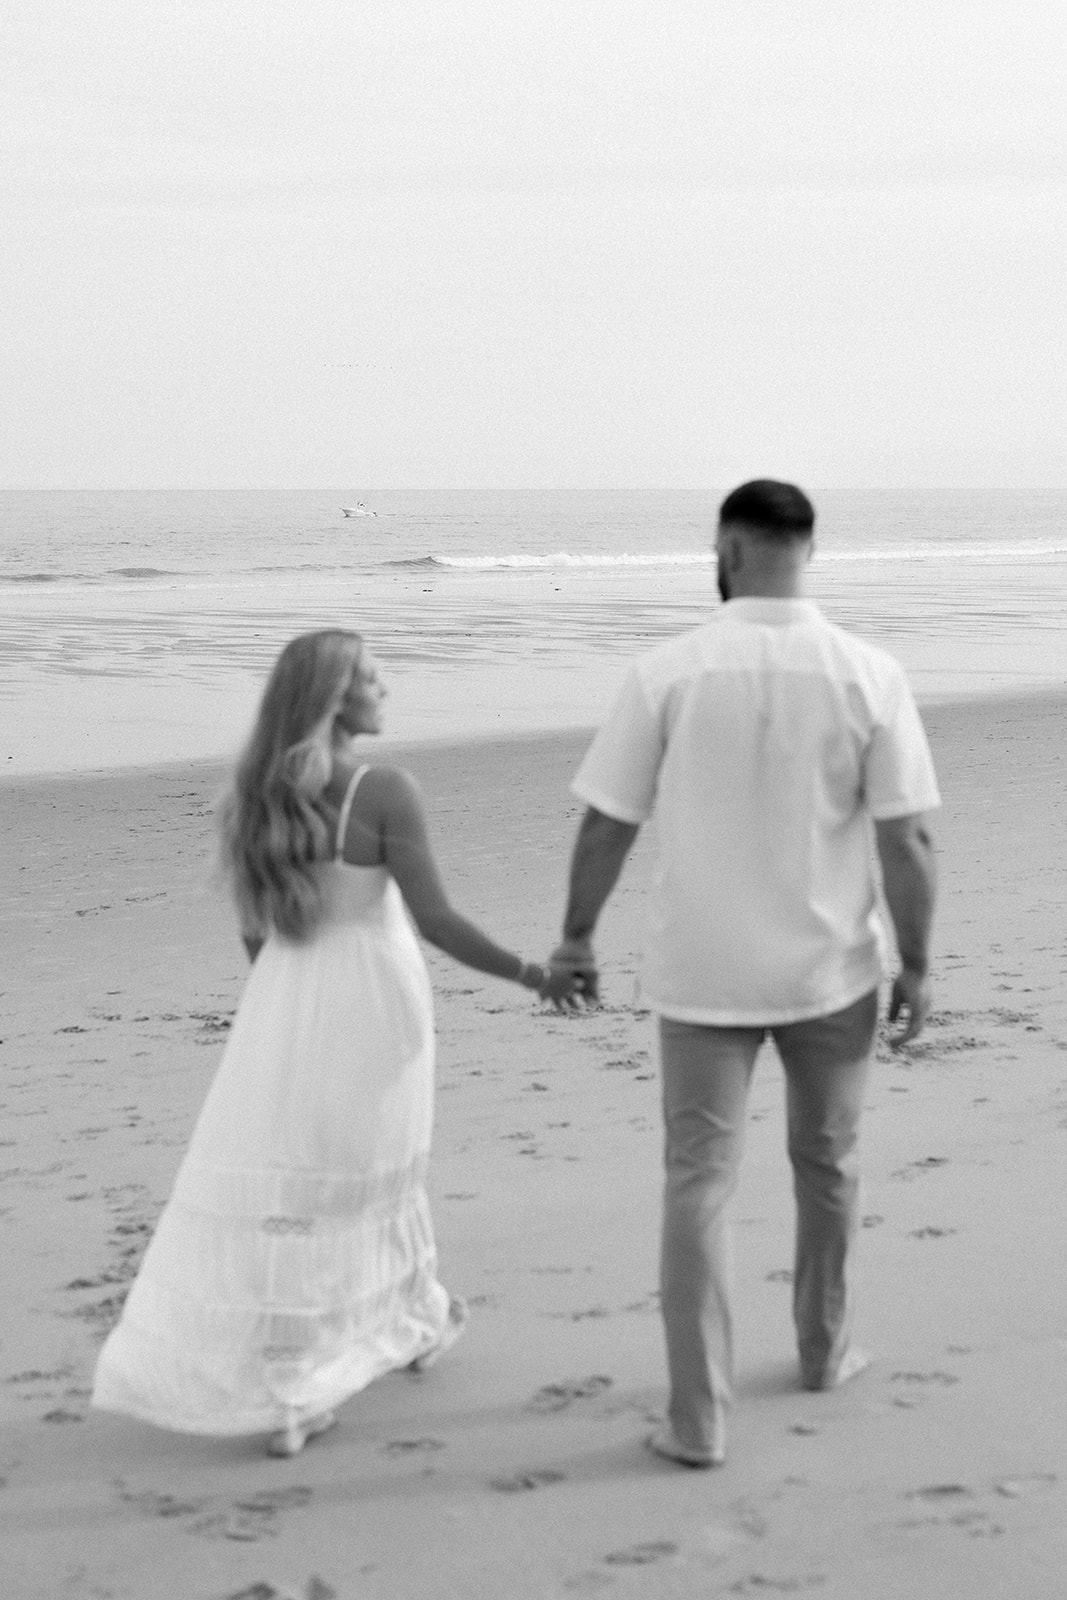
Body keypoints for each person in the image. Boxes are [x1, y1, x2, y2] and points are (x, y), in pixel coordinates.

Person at [92, 628, 581, 1456]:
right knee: (371, 1169)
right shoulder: (383, 789)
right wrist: (534, 974)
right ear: (335, 699)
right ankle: (305, 1381)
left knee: (298, 1180)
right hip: (373, 999)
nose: (386, 689)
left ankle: (400, 1322)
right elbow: (437, 921)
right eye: (372, 678)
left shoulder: (255, 794)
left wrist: (278, 1006)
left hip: (282, 1000)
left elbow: (257, 933)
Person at [549, 480, 940, 1468]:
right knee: (828, 1166)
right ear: (806, 548)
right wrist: (918, 964)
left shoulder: (667, 671)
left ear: (727, 547)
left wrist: (576, 939)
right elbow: (909, 842)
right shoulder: (865, 672)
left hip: (701, 970)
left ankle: (698, 1419)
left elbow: (606, 820)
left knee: (696, 1186)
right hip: (830, 971)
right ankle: (822, 1349)